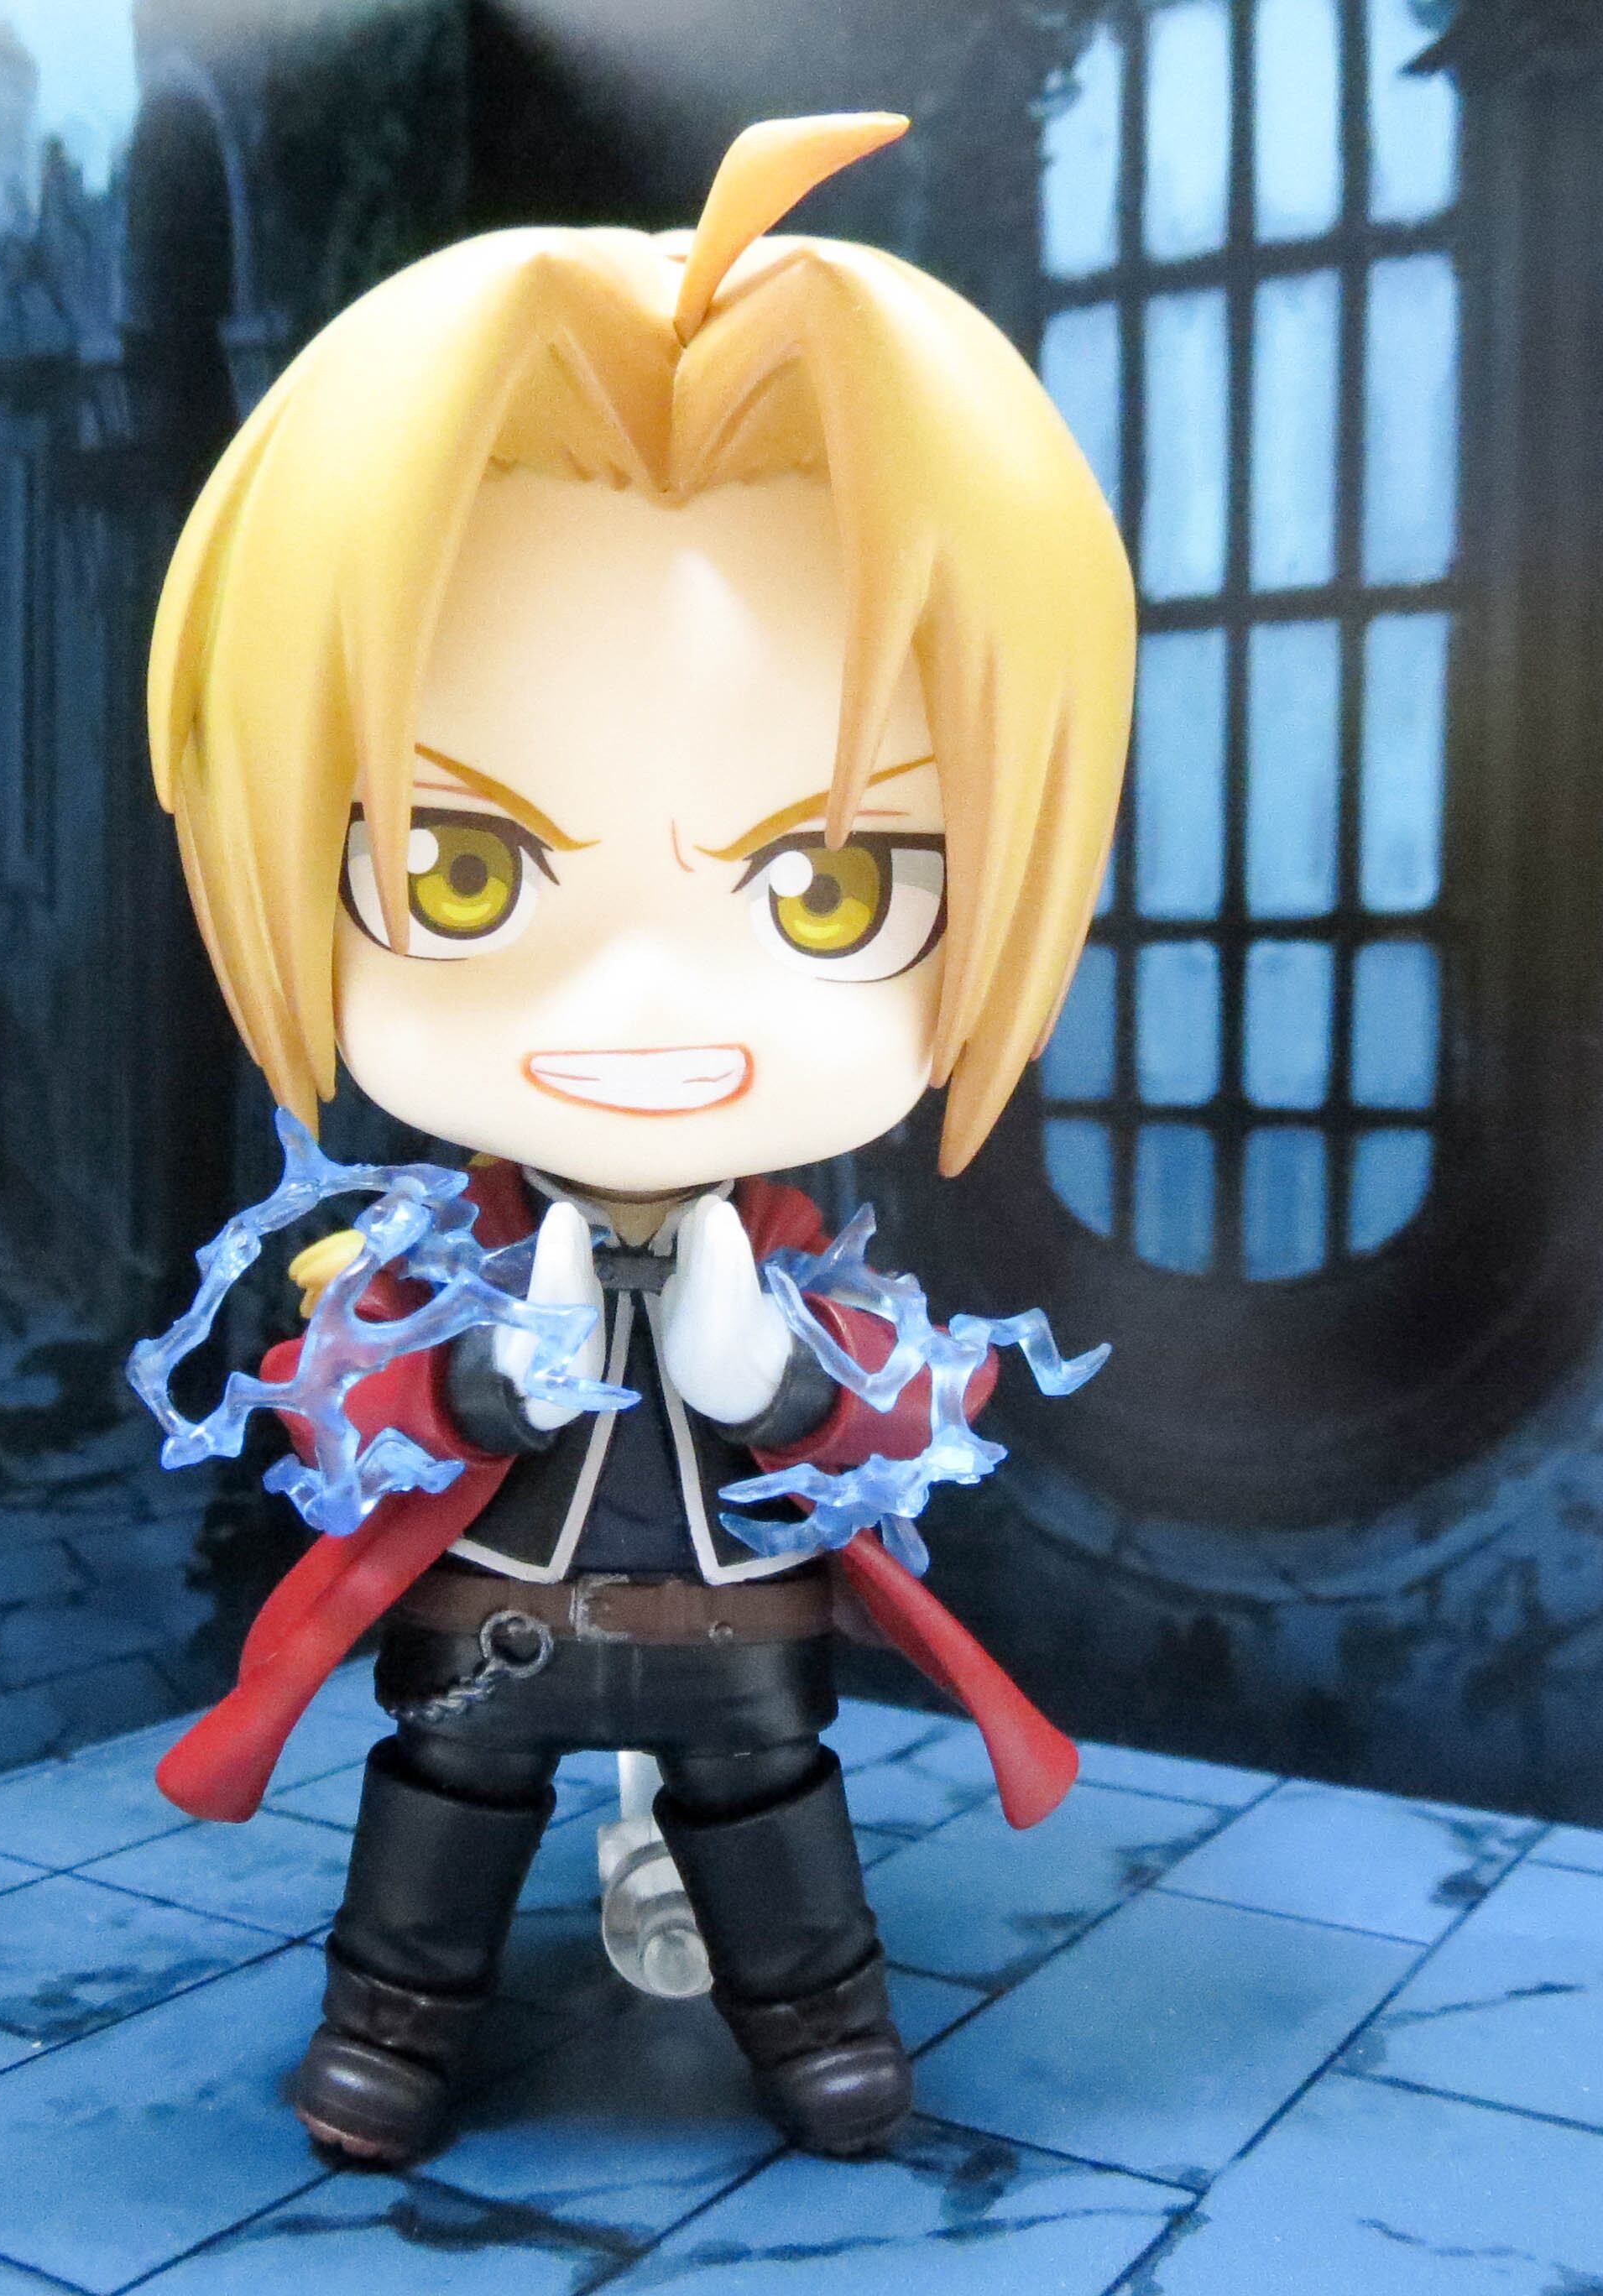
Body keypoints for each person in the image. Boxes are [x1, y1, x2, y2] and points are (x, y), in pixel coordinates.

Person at [138, 111, 1136, 2165]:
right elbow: (330, 1397)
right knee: (439, 1811)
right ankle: (391, 2036)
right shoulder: (425, 1256)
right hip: (492, 1620)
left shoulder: (809, 1275)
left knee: (774, 1818)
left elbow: (910, 1420)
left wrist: (775, 1379)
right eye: (465, 876)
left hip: (737, 1638)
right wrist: (480, 1379)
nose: (649, 1014)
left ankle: (823, 2033)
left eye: (831, 893)